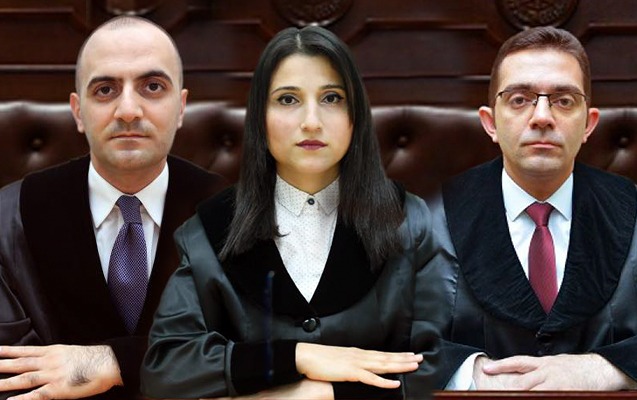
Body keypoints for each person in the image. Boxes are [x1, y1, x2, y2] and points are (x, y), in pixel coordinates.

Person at [141, 26, 439, 399]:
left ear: (355, 117)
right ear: (260, 119)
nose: (311, 121)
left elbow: (442, 362)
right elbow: (166, 369)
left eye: (332, 98)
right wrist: (298, 356)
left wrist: (322, 394)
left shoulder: (410, 222)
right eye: (287, 99)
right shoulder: (208, 232)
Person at [0, 16, 225, 400]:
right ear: (78, 112)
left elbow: (262, 354)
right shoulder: (8, 219)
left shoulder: (237, 216)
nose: (128, 110)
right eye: (105, 90)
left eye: (152, 87)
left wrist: (118, 361)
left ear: (181, 107)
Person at [405, 26, 637, 395]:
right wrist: (474, 375)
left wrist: (608, 369)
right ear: (490, 123)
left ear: (588, 124)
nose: (542, 116)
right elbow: (387, 335)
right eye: (519, 99)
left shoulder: (632, 212)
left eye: (564, 100)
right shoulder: (425, 223)